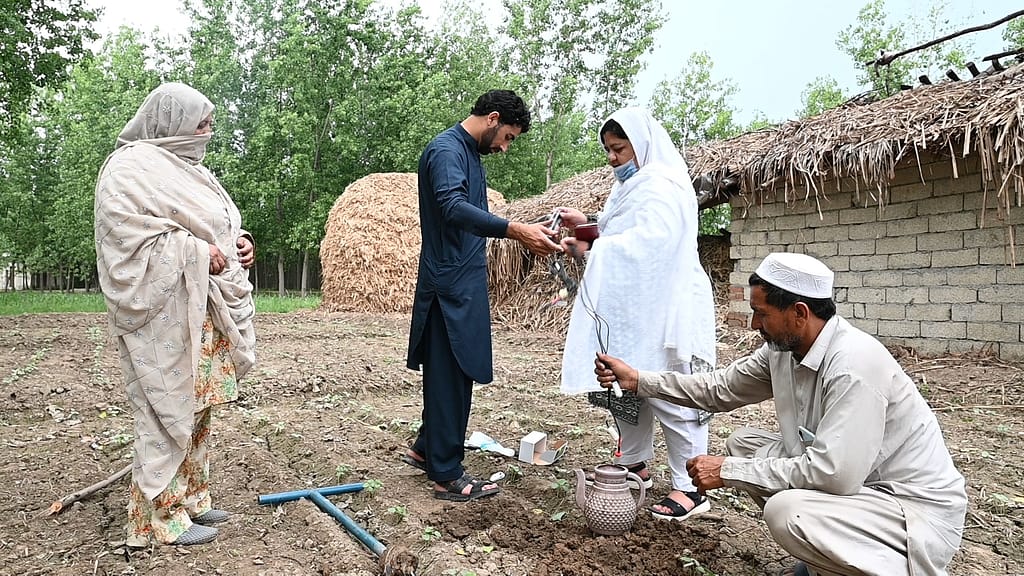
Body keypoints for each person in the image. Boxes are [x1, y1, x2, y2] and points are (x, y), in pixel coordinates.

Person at [595, 252, 967, 576]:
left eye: (761, 313)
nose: (755, 325)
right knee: (744, 445)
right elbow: (718, 389)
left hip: (909, 513)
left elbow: (832, 475)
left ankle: (867, 566)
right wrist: (638, 380)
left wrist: (725, 471)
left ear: (799, 313)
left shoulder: (853, 363)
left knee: (786, 511)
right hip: (859, 491)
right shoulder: (784, 350)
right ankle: (827, 562)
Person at [94, 82, 257, 547]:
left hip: (203, 308)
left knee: (200, 406)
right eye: (200, 125)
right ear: (173, 124)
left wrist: (238, 243)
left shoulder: (190, 169)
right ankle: (157, 520)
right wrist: (195, 250)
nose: (207, 134)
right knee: (164, 408)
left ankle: (192, 499)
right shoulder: (129, 168)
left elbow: (217, 222)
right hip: (164, 309)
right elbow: (125, 240)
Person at [556, 107, 717, 522]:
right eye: (607, 150)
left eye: (618, 148)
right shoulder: (629, 187)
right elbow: (623, 233)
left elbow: (652, 244)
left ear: (641, 145)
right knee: (623, 387)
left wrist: (592, 249)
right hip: (632, 309)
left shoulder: (661, 186)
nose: (612, 158)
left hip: (665, 308)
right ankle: (634, 463)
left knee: (672, 392)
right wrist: (591, 226)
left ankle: (690, 486)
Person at [403, 90, 561, 501]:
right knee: (449, 374)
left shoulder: (468, 153)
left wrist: (528, 226)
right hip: (447, 285)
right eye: (508, 136)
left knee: (456, 371)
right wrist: (516, 230)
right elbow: (452, 207)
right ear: (492, 118)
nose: (506, 148)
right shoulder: (446, 150)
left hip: (463, 281)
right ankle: (446, 473)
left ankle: (427, 448)